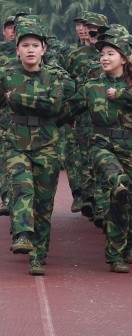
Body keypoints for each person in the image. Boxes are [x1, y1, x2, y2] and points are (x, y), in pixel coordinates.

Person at [69, 35, 132, 272]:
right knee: (117, 184)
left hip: (131, 148)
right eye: (102, 54)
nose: (104, 58)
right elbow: (67, 108)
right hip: (101, 144)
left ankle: (130, 247)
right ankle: (115, 255)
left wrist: (122, 94)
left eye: (110, 54)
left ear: (124, 59)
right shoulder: (92, 86)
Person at [1, 24, 69, 275]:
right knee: (22, 187)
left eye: (35, 46)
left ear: (44, 49)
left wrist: (16, 98)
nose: (30, 50)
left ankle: (38, 257)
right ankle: (21, 233)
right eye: (25, 45)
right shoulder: (6, 76)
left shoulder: (54, 77)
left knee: (43, 204)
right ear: (17, 50)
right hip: (16, 143)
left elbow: (53, 107)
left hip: (46, 145)